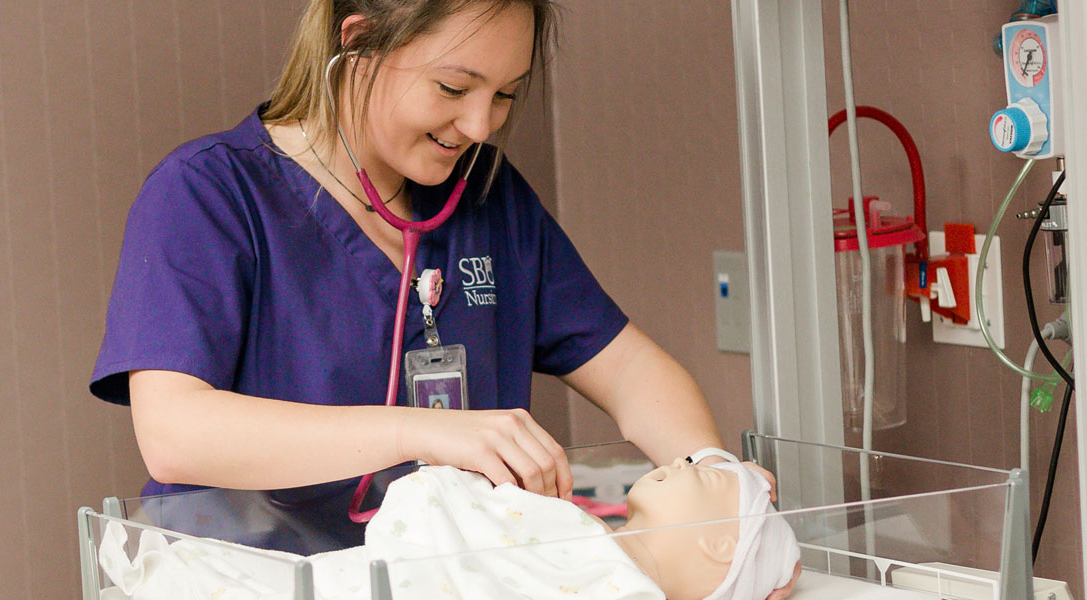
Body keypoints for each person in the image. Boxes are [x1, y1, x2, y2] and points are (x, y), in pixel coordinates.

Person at [91, 0, 771, 561]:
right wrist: (426, 433)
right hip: (255, 577)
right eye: (453, 87)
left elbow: (628, 367)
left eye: (505, 93)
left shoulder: (491, 200)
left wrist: (714, 479)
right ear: (356, 44)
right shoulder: (210, 192)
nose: (479, 125)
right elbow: (177, 433)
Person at [98, 461, 802, 600]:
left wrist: (447, 486)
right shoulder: (583, 533)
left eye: (701, 474)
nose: (680, 459)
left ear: (716, 544)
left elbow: (435, 505)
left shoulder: (615, 580)